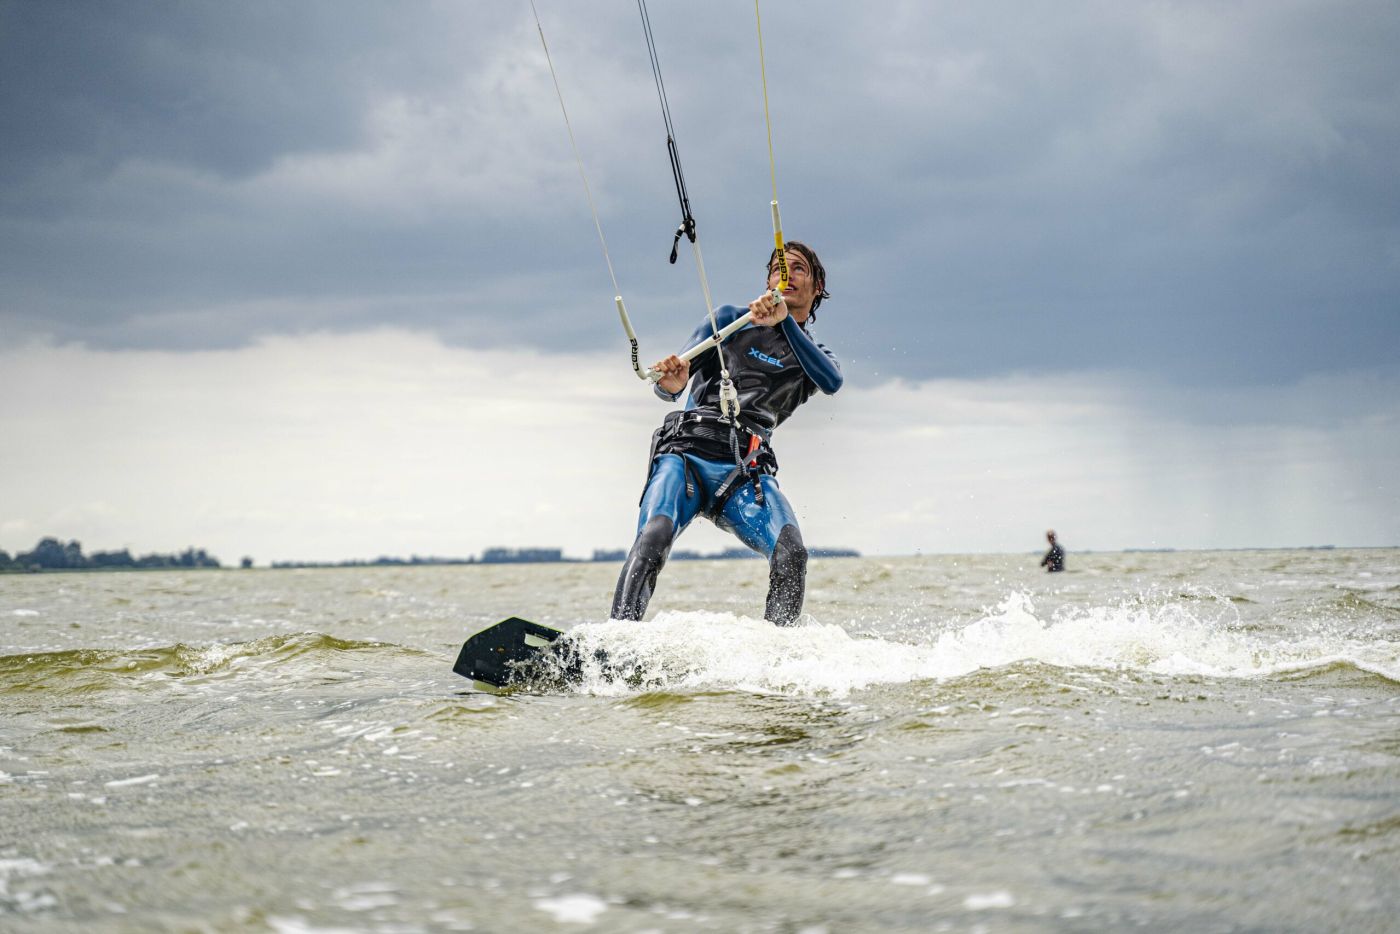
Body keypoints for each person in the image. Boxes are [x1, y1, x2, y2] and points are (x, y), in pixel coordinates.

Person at [610, 241, 843, 625]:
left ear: (817, 286)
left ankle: (777, 653)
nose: (786, 275)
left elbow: (832, 382)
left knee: (792, 553)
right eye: (777, 268)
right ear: (767, 280)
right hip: (686, 456)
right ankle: (615, 640)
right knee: (653, 539)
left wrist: (784, 320)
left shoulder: (813, 356)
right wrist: (671, 383)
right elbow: (667, 388)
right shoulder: (729, 320)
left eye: (798, 268)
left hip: (744, 473)